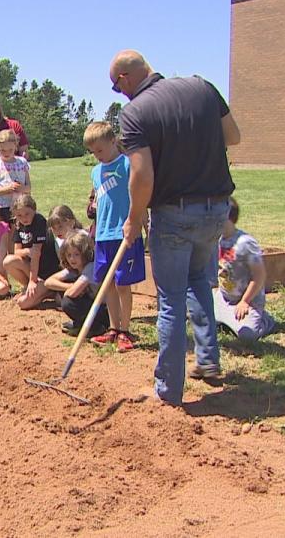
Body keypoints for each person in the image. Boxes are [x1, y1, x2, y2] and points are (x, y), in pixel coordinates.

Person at [111, 49, 241, 406]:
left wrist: (134, 219)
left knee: (169, 300)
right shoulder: (203, 87)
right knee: (198, 280)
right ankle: (208, 360)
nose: (119, 94)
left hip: (174, 215)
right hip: (217, 209)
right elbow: (233, 136)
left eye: (115, 86)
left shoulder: (135, 112)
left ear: (125, 78)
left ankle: (167, 391)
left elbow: (141, 175)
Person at [83, 121, 146, 352]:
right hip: (103, 234)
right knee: (106, 283)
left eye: (100, 150)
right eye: (92, 152)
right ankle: (113, 328)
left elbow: (140, 195)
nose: (97, 156)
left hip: (124, 233)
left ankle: (125, 331)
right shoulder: (95, 172)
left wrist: (143, 224)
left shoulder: (127, 164)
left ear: (112, 141)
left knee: (122, 284)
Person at [214, 198, 275, 341]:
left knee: (247, 334)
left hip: (246, 300)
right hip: (224, 298)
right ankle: (224, 317)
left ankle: (266, 321)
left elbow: (259, 276)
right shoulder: (217, 239)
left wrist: (245, 302)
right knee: (199, 317)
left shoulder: (246, 243)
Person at [44, 233, 110, 338]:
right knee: (64, 290)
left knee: (67, 302)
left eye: (76, 254)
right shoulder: (74, 269)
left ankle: (96, 327)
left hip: (105, 310)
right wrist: (70, 286)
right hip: (93, 306)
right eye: (69, 255)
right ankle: (81, 323)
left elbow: (72, 293)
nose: (72, 259)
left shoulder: (90, 267)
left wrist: (72, 288)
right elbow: (48, 282)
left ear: (85, 254)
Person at [2, 194, 52, 310]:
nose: (24, 218)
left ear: (34, 210)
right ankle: (30, 288)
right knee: (8, 261)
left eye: (27, 214)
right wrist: (27, 251)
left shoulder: (39, 221)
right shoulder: (19, 224)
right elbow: (16, 252)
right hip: (33, 270)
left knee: (22, 303)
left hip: (46, 273)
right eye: (19, 215)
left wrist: (33, 281)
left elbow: (36, 254)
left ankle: (48, 290)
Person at [0, 129, 31, 225]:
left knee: (19, 232)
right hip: (1, 207)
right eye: (3, 150)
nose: (6, 153)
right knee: (4, 233)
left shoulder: (22, 163)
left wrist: (22, 188)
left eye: (10, 150)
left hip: (20, 206)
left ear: (15, 146)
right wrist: (7, 189)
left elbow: (29, 187)